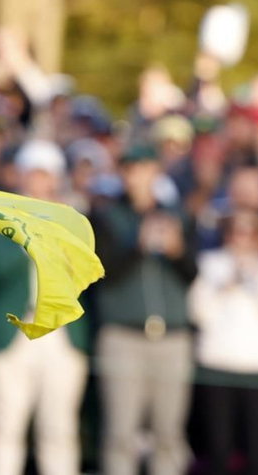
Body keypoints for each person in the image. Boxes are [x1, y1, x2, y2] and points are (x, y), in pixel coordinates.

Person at [0, 140, 90, 475]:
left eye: (46, 176)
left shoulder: (74, 222)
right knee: (4, 426)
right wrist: (28, 230)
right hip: (11, 332)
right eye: (33, 175)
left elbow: (84, 271)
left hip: (61, 335)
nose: (39, 184)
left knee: (58, 429)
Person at [89, 144, 195, 475]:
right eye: (131, 169)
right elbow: (103, 275)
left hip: (172, 338)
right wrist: (137, 247)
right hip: (124, 335)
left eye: (145, 168)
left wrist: (177, 252)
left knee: (169, 435)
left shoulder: (178, 216)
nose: (138, 176)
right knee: (121, 434)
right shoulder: (107, 218)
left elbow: (193, 275)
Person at [187, 208, 258, 475]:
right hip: (218, 364)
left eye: (249, 232)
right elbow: (199, 313)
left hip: (256, 368)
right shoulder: (210, 262)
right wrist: (225, 286)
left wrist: (256, 281)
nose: (241, 238)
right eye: (235, 231)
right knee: (219, 446)